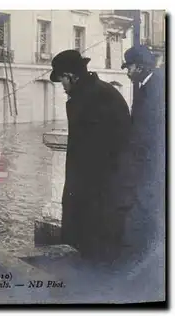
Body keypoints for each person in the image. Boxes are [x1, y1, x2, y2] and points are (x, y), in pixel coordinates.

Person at [49, 50, 132, 264]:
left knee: (91, 248)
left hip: (98, 191)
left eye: (62, 80)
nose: (63, 86)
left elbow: (96, 152)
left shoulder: (93, 98)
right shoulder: (98, 92)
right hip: (97, 188)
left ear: (71, 76)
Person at [120, 45, 166, 263]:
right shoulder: (154, 83)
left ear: (138, 67)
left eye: (128, 67)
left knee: (146, 211)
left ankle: (143, 258)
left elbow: (147, 131)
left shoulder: (154, 88)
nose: (127, 72)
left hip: (150, 165)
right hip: (151, 164)